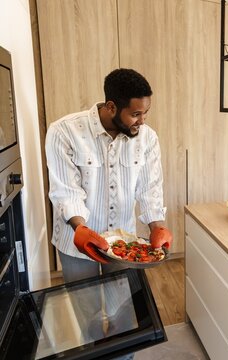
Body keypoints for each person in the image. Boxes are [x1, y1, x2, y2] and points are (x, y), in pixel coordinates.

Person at [45, 68, 172, 354]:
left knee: (124, 312)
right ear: (111, 106)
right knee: (87, 314)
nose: (142, 121)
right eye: (136, 114)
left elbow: (150, 188)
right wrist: (79, 227)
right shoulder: (64, 131)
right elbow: (66, 190)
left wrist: (157, 224)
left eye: (145, 113)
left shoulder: (147, 138)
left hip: (123, 243)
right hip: (77, 242)